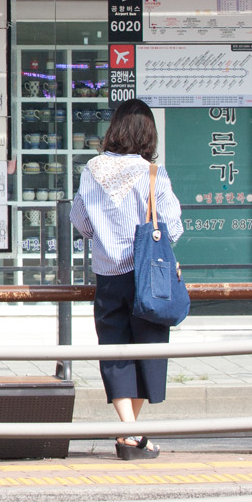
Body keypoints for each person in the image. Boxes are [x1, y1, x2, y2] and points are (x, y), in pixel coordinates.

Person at [70, 98, 183, 461]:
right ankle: (131, 434)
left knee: (115, 349)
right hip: (147, 275)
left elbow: (81, 222)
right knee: (148, 348)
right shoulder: (153, 174)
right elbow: (173, 228)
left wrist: (105, 235)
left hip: (108, 275)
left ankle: (129, 433)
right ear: (148, 134)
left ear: (115, 129)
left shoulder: (91, 170)